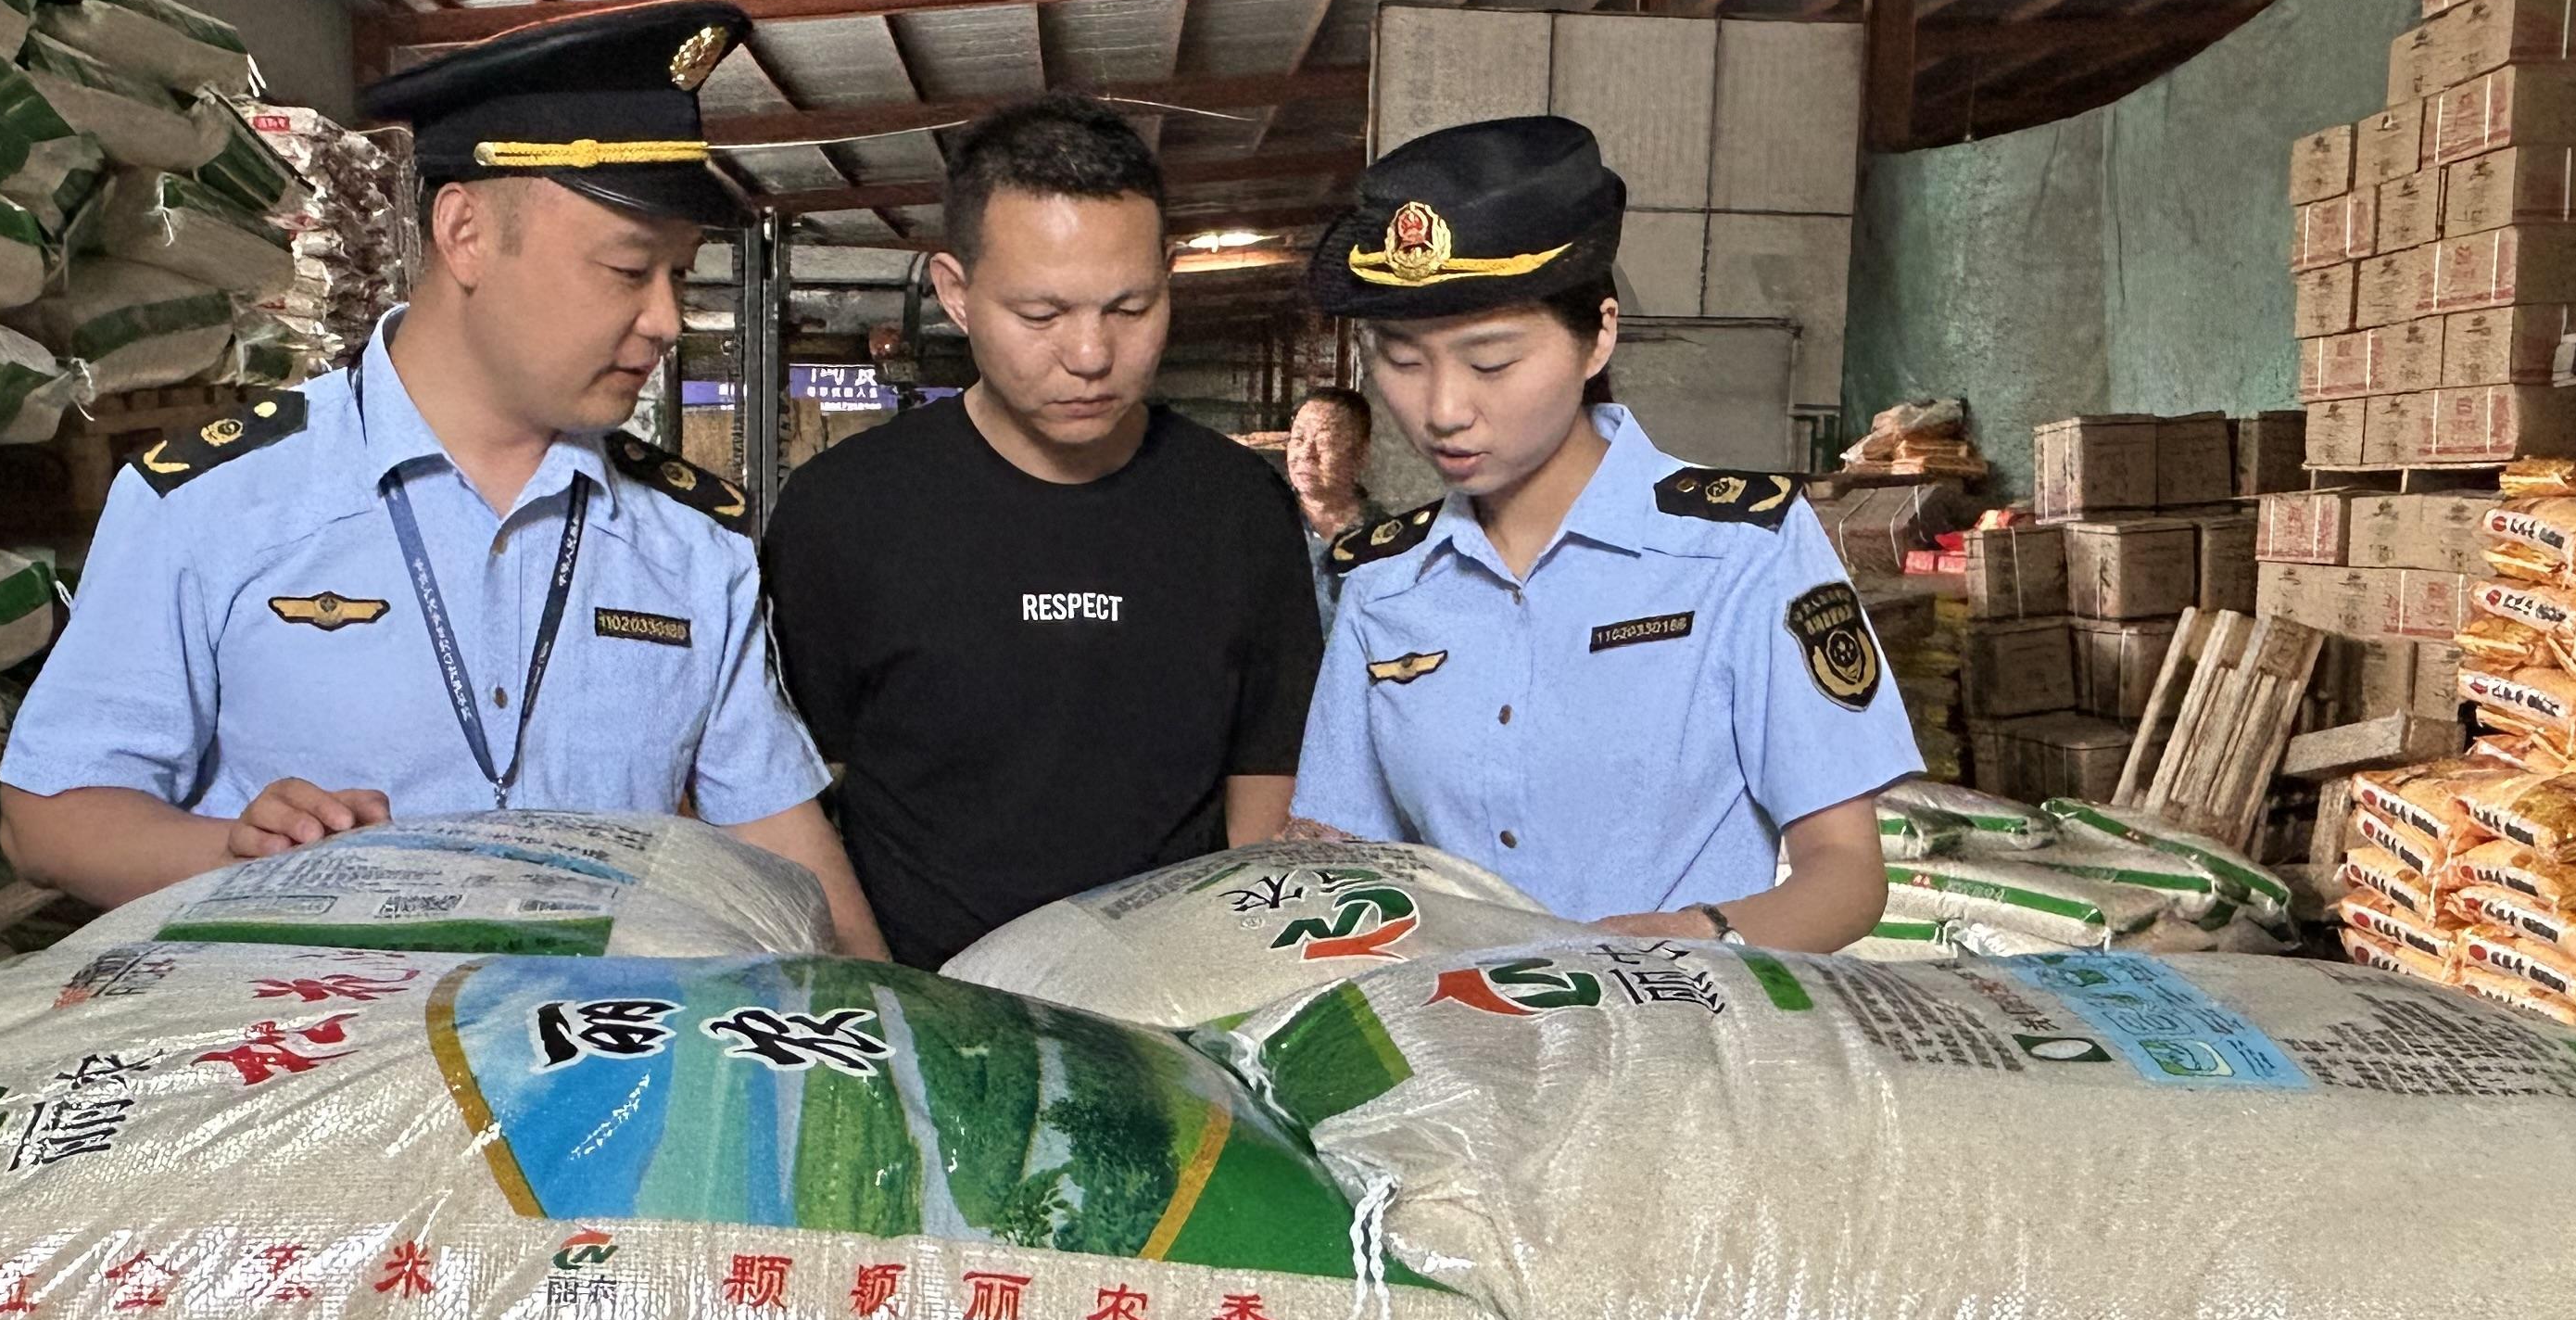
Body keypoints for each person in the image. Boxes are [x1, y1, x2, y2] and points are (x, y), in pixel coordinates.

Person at [0, 0, 883, 954]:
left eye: (681, 274)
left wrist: (892, 1022)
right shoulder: (216, 502)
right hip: (307, 1034)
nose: (667, 320)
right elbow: (49, 819)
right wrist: (239, 857)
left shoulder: (693, 542)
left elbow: (775, 831)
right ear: (465, 234)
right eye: (631, 271)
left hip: (593, 1035)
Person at [1290, 114, 1916, 951]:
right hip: (1454, 1020)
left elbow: (1846, 874)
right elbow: (1347, 860)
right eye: (1402, 361)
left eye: (1491, 362)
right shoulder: (1381, 583)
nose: (1443, 409)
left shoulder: (1745, 551)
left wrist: (1683, 936)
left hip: (1680, 1013)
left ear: (1600, 337)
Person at [762, 96, 1323, 968]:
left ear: (1168, 275)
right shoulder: (843, 511)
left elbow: (1266, 768)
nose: (1091, 355)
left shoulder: (1239, 507)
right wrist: (877, 991)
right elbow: (791, 797)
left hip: (1171, 998)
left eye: (1130, 308)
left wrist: (1239, 974)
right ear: (956, 293)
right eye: (1041, 315)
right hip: (926, 1000)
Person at [1282, 384, 1371, 628]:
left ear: (1360, 455)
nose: (1306, 453)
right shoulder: (1261, 523)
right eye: (1298, 439)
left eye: (1324, 441)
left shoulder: (1390, 543)